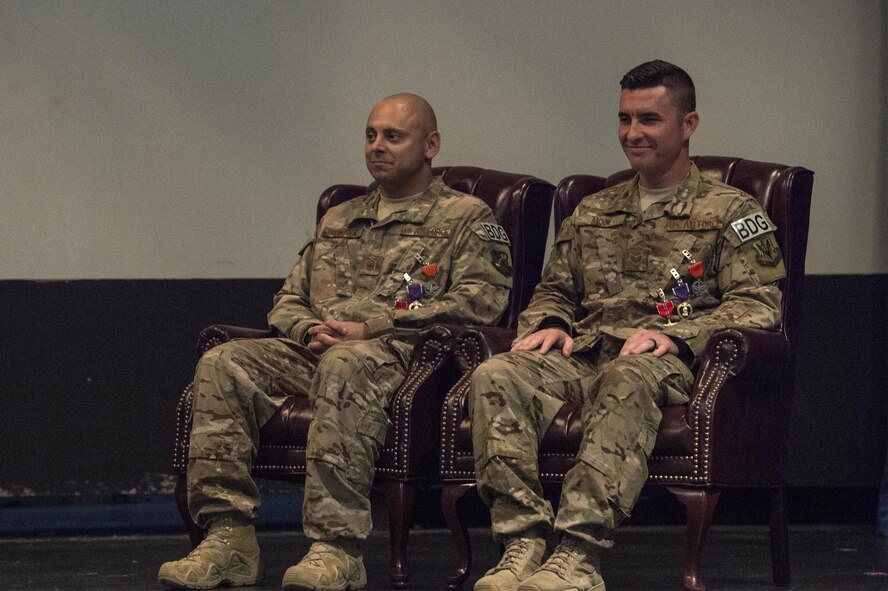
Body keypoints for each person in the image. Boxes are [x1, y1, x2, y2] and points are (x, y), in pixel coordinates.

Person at [158, 93, 513, 590]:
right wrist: (307, 329)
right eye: (370, 135)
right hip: (315, 350)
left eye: (393, 136)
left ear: (430, 145)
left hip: (404, 360)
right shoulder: (340, 219)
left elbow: (483, 300)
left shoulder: (466, 219)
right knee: (224, 361)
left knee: (347, 362)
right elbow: (288, 298)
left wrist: (373, 328)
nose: (377, 146)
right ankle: (227, 537)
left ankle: (336, 548)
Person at [469, 60, 786, 591]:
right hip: (585, 355)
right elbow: (554, 288)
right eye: (624, 119)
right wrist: (550, 320)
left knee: (627, 376)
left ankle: (578, 555)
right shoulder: (593, 209)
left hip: (666, 366)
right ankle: (522, 543)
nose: (633, 134)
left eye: (650, 120)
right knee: (498, 373)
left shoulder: (731, 211)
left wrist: (678, 335)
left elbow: (759, 305)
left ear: (688, 124)